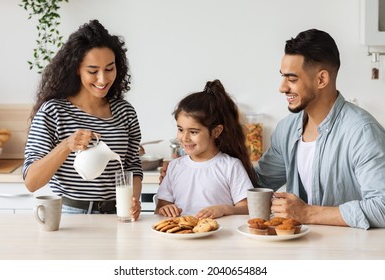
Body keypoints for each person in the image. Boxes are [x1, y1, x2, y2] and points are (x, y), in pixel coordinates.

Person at [257, 29, 385, 229]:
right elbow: (257, 184)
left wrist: (307, 213)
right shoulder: (287, 129)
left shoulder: (362, 133)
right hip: (300, 252)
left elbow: (382, 207)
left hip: (350, 255)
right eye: (283, 77)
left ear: (321, 79)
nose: (282, 88)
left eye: (292, 79)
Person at [23, 20, 143, 220]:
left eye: (109, 68)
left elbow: (132, 166)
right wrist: (67, 145)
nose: (103, 79)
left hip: (116, 215)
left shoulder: (125, 112)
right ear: (77, 68)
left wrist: (133, 200)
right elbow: (31, 182)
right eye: (93, 71)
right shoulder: (54, 111)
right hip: (70, 215)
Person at [155, 79, 257, 219]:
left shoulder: (230, 166)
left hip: (221, 238)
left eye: (193, 132)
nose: (185, 138)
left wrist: (224, 209)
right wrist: (165, 209)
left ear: (216, 131)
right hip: (181, 237)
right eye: (180, 129)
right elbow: (160, 208)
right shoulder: (174, 167)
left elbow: (248, 208)